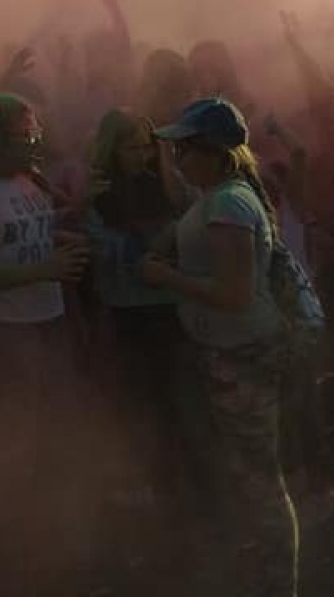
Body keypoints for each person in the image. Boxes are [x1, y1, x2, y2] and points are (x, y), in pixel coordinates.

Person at [143, 98, 298, 597]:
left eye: (185, 148)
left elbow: (233, 293)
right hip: (234, 351)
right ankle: (260, 572)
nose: (178, 158)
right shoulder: (220, 196)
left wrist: (166, 276)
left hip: (242, 352)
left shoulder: (229, 203)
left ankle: (276, 583)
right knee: (248, 471)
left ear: (211, 151)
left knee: (259, 477)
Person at [0, 93, 86, 596]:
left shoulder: (29, 180)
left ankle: (48, 550)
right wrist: (42, 269)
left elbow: (27, 238)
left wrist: (60, 246)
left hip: (49, 323)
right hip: (9, 336)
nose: (34, 145)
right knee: (13, 446)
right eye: (24, 137)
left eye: (36, 135)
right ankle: (8, 558)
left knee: (52, 439)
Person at [82, 109, 219, 547]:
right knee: (145, 405)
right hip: (130, 312)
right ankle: (160, 495)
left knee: (182, 404)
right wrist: (148, 249)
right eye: (131, 146)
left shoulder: (165, 184)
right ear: (111, 148)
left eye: (146, 145)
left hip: (168, 309)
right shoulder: (100, 193)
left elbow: (190, 220)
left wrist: (165, 171)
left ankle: (197, 497)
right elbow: (102, 248)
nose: (140, 154)